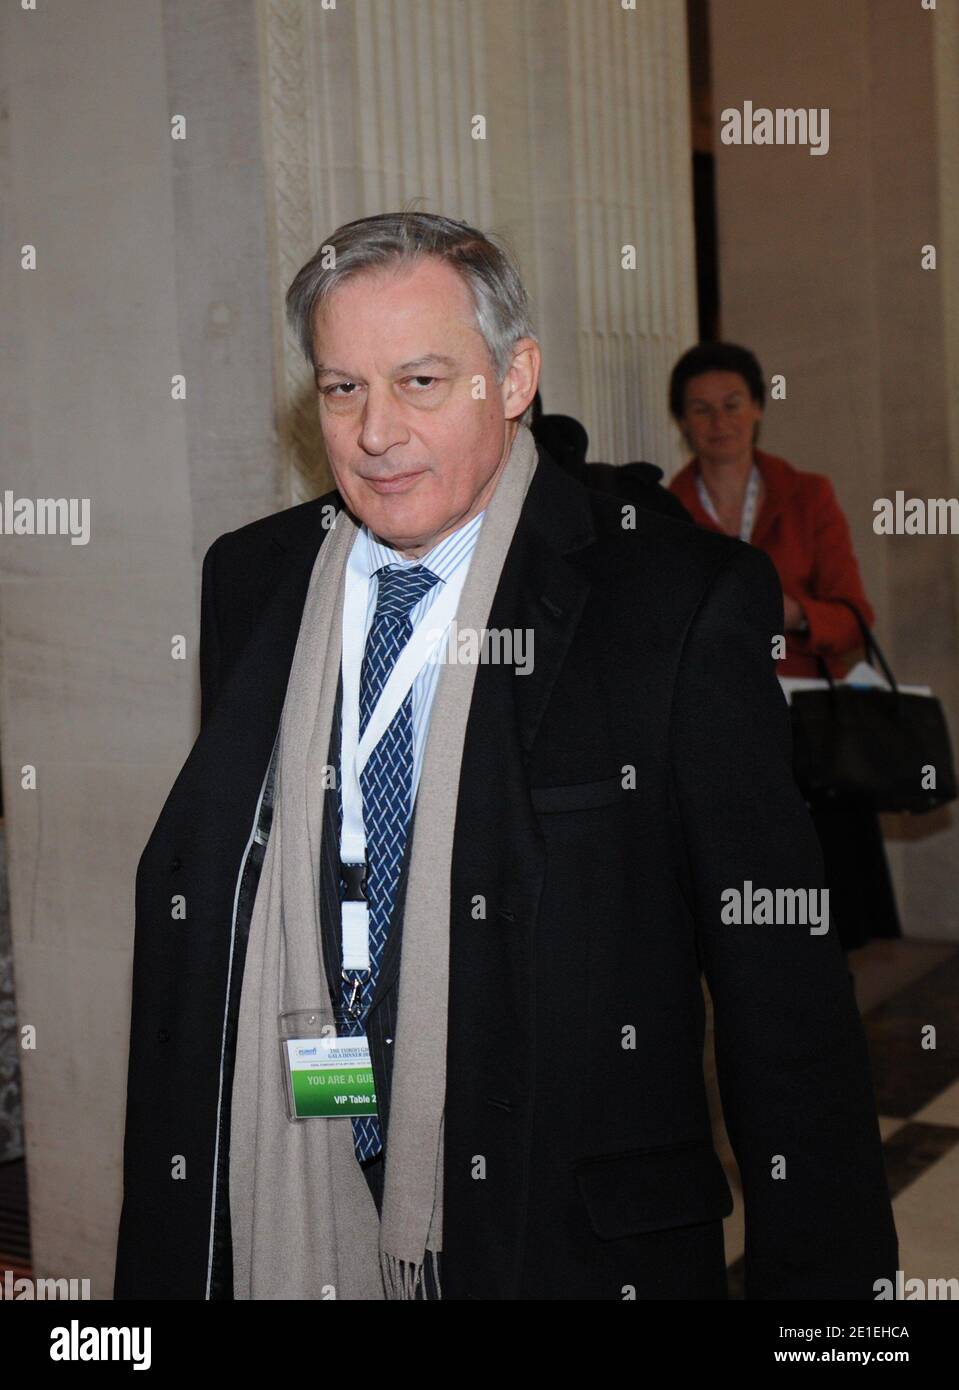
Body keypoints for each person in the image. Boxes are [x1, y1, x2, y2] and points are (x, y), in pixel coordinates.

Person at [114, 213, 897, 1300]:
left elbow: (782, 1002)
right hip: (303, 1169)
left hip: (553, 1239)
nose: (375, 431)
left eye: (421, 382)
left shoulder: (666, 601)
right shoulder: (253, 582)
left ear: (514, 376)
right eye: (342, 389)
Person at [667, 341, 902, 949]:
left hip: (809, 730)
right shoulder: (665, 509)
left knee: (830, 922)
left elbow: (854, 619)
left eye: (732, 404)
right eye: (701, 409)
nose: (719, 422)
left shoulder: (808, 494)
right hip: (713, 731)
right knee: (740, 929)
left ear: (759, 409)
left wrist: (795, 612)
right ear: (682, 421)